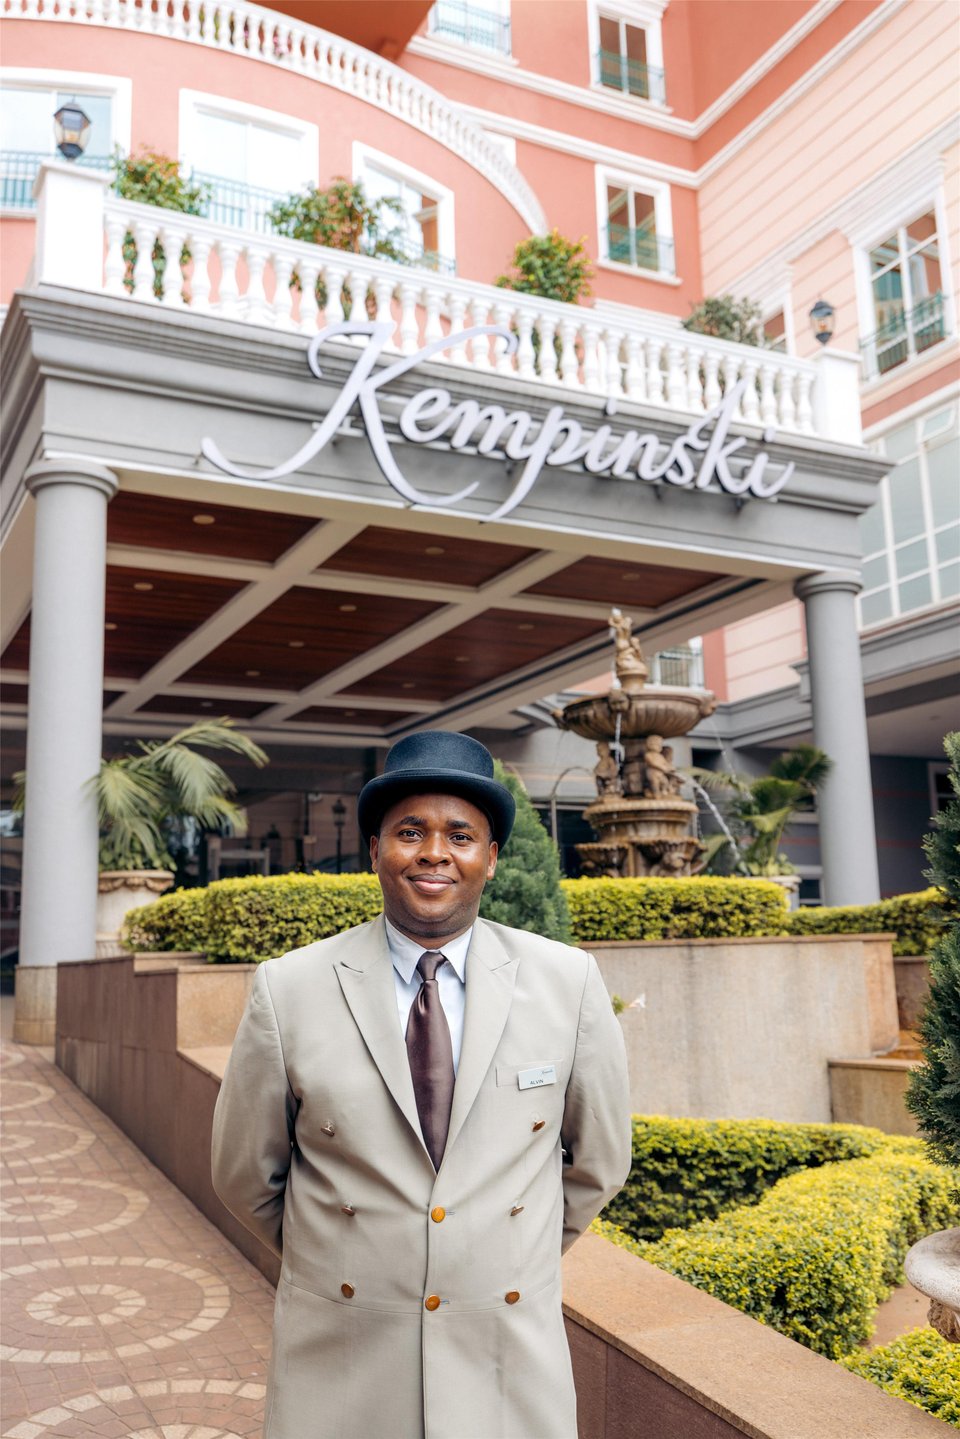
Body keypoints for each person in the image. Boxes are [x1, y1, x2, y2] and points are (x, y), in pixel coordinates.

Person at [211, 730, 632, 1439]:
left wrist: (497, 1252)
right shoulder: (290, 989)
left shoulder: (568, 982)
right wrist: (350, 1255)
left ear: (491, 859)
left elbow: (599, 1161)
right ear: (375, 850)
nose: (435, 851)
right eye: (410, 831)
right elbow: (242, 1173)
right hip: (341, 1361)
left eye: (460, 834)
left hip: (507, 1360)